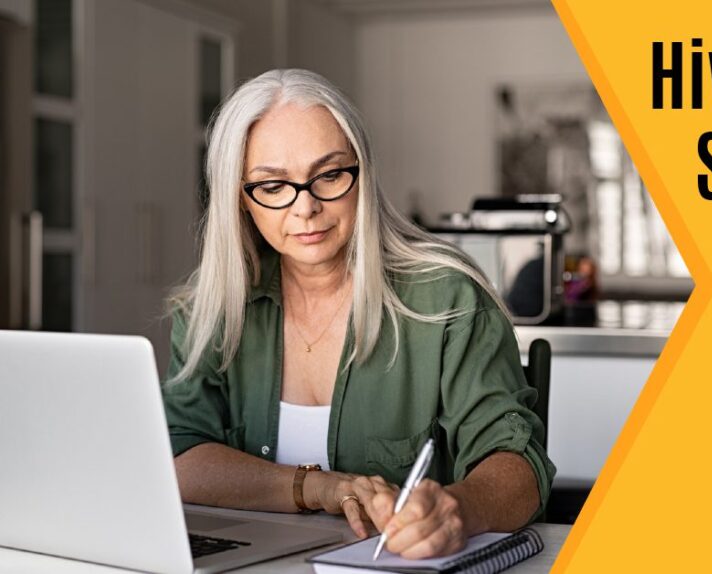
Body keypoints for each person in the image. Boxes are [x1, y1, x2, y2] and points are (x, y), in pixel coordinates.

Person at [162, 69, 555, 560]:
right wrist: (320, 487)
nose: (305, 208)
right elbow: (178, 457)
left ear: (362, 173)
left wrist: (460, 509)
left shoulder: (449, 297)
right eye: (272, 185)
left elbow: (519, 465)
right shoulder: (211, 308)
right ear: (241, 200)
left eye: (328, 175)